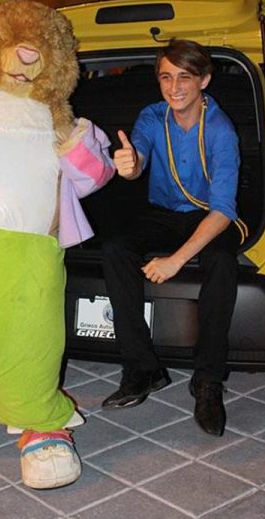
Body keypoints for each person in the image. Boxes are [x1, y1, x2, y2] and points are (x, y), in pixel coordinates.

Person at [100, 39, 243, 436]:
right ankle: (143, 369)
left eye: (185, 77)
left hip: (207, 215)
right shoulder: (152, 116)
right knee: (115, 249)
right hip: (163, 213)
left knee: (221, 262)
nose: (174, 87)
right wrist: (130, 167)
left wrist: (175, 260)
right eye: (166, 76)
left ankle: (208, 380)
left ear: (204, 81)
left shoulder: (220, 131)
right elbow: (139, 156)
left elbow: (222, 212)